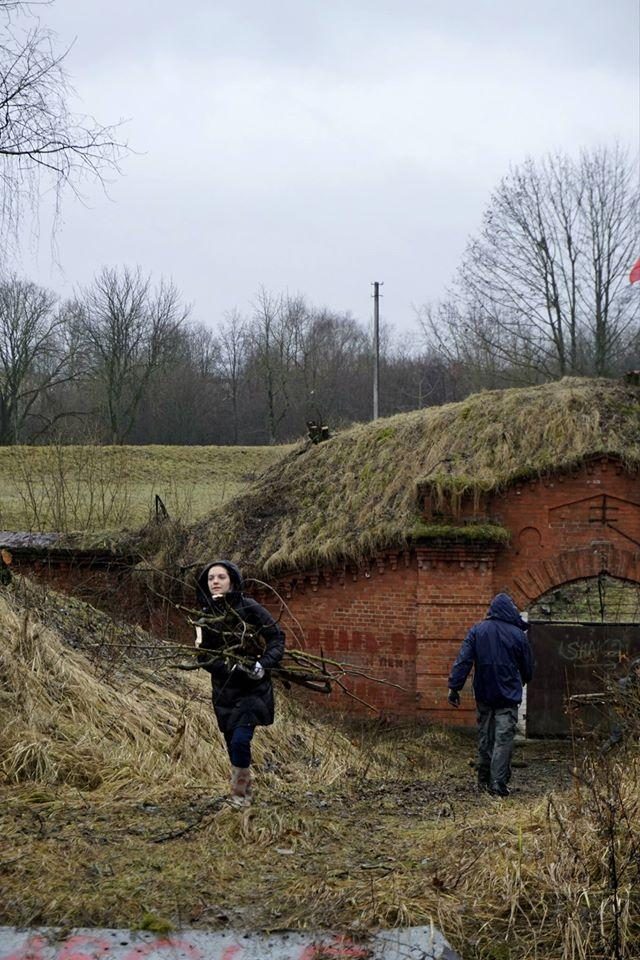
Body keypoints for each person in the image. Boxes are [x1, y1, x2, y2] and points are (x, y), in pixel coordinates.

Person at [195, 560, 285, 806]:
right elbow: (203, 657)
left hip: (253, 690)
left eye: (221, 577)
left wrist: (262, 665)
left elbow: (276, 638)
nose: (215, 581)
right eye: (211, 578)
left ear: (232, 580)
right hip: (224, 692)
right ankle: (244, 791)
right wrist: (228, 667)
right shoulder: (204, 617)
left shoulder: (249, 607)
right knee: (231, 743)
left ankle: (239, 796)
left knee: (240, 740)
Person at [447, 592, 533, 797]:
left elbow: (463, 661)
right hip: (508, 697)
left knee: (485, 736)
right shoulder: (518, 635)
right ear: (509, 611)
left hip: (484, 694)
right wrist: (519, 681)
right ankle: (498, 784)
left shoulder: (477, 631)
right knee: (503, 739)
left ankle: (483, 780)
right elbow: (528, 669)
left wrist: (454, 687)